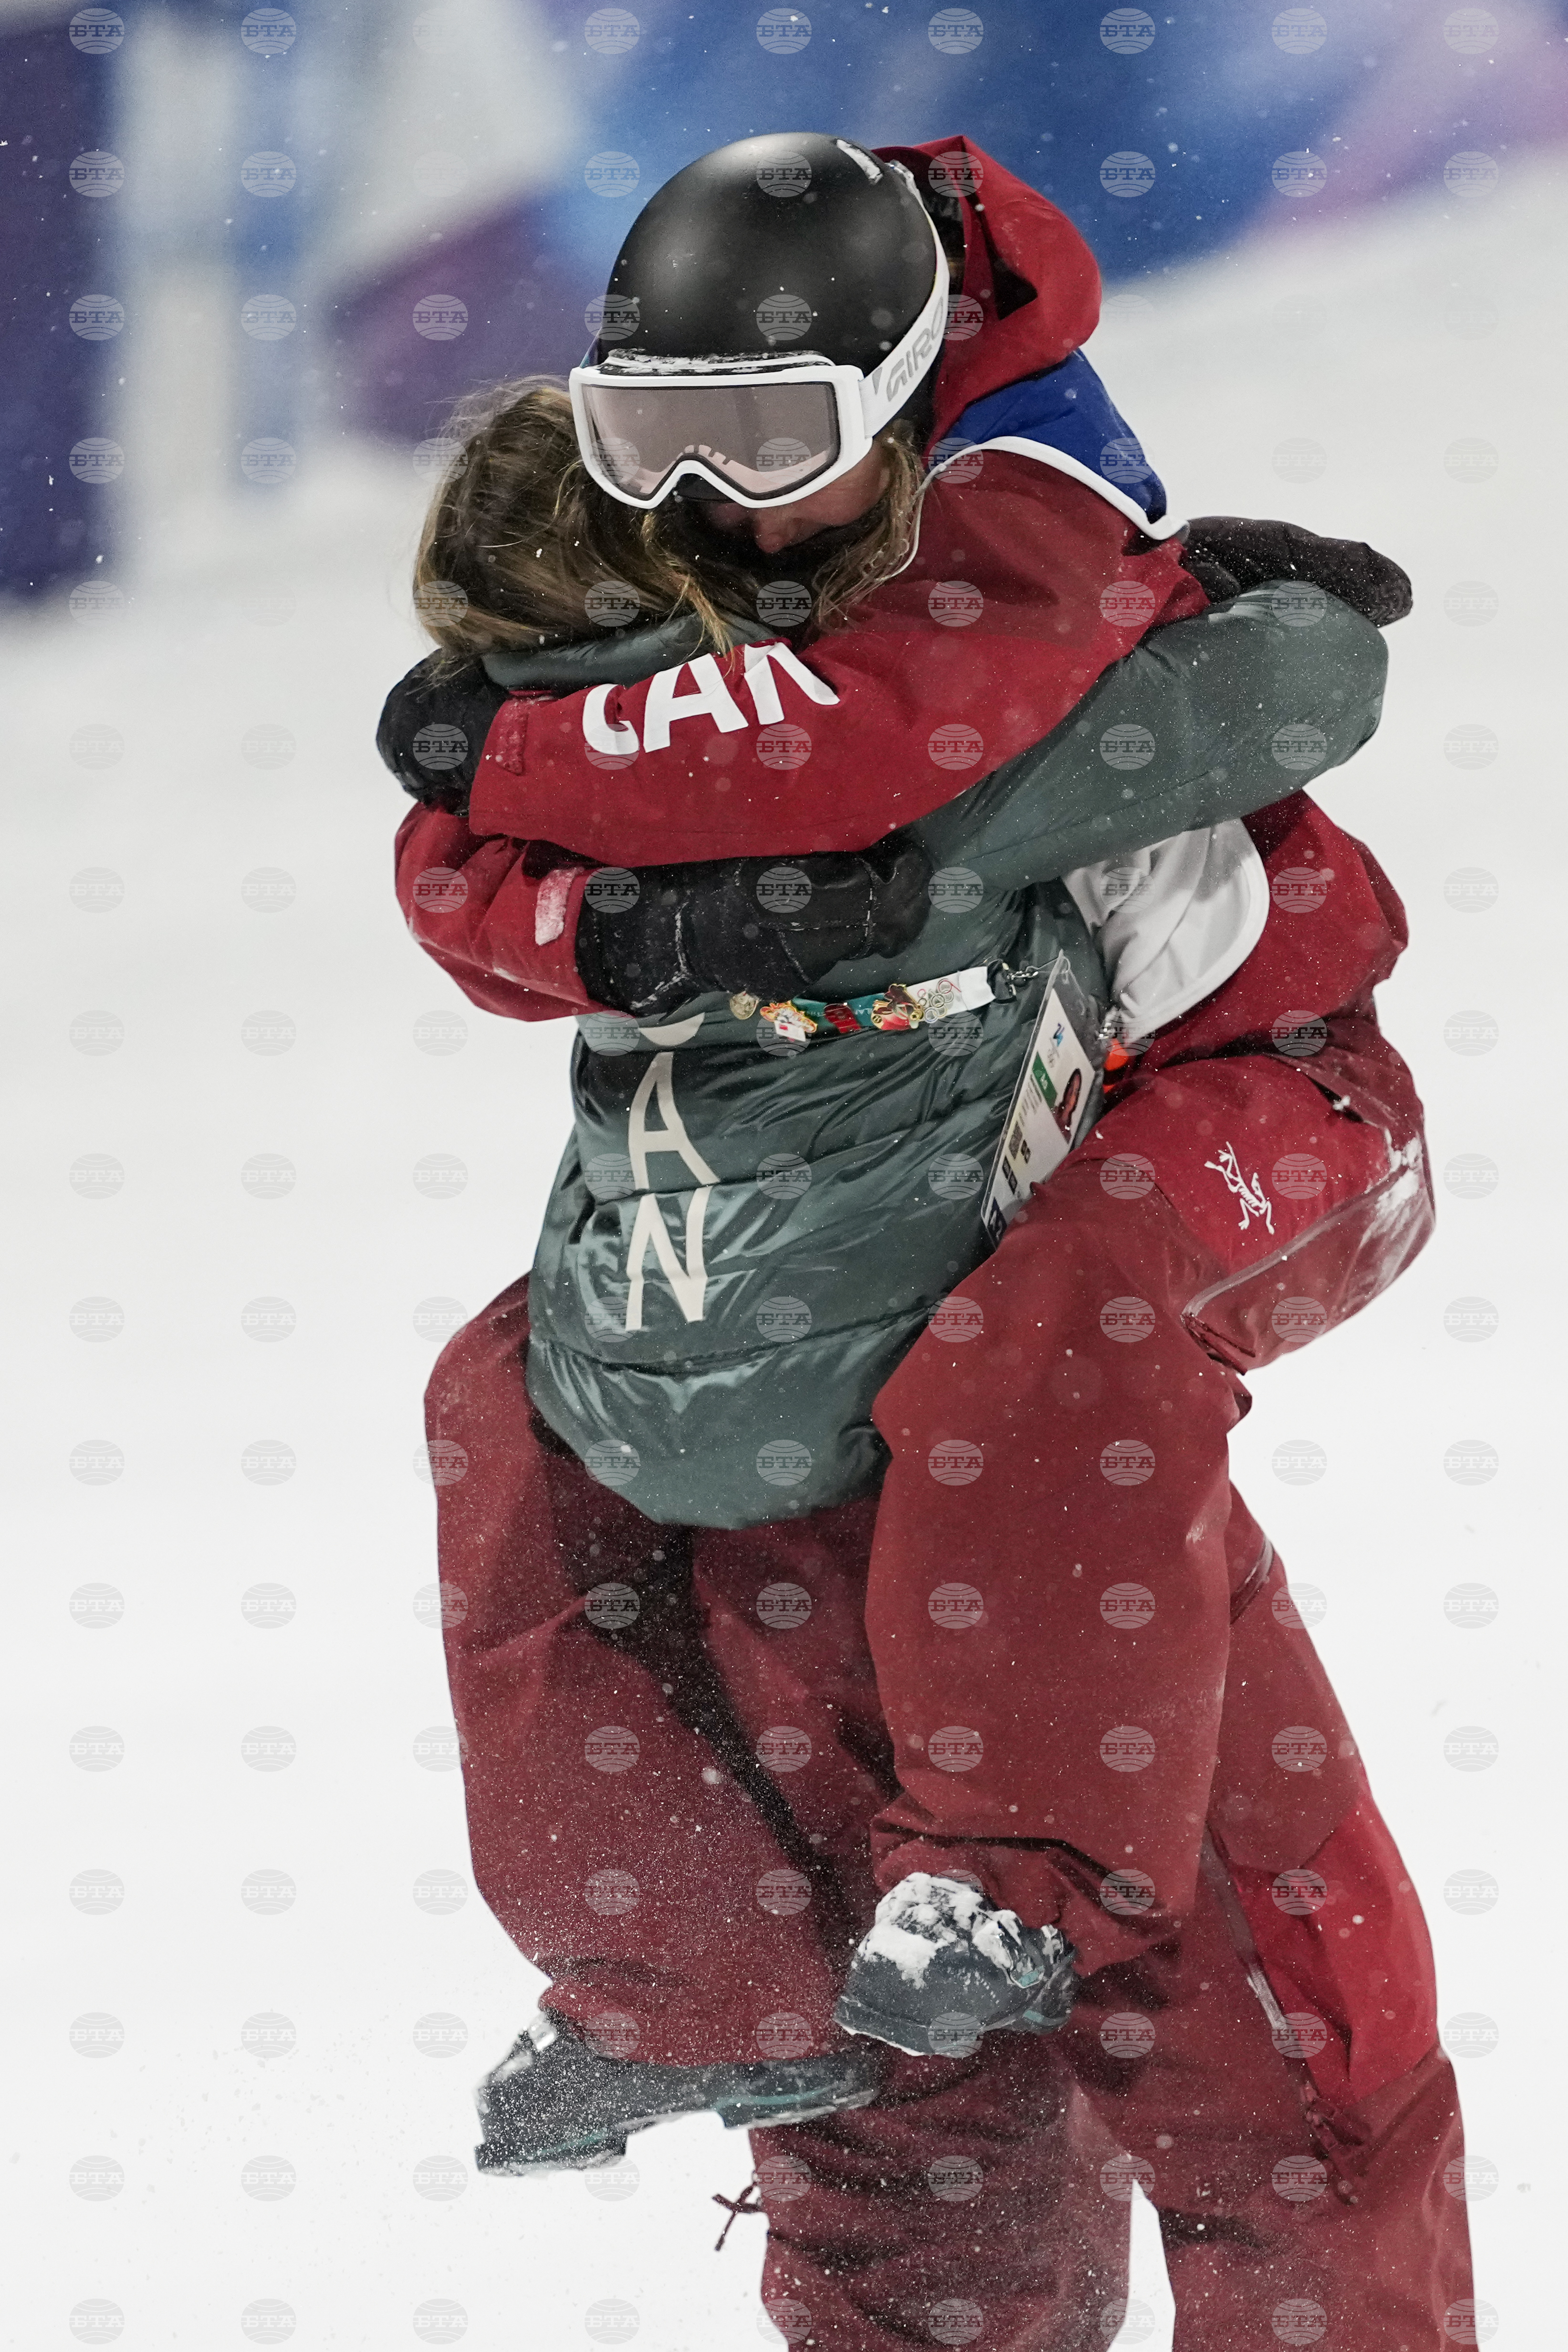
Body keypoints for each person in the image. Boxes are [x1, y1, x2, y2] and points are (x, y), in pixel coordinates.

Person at [380, 135, 1470, 2349]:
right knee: (535, 1398)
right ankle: (688, 1971)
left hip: (1245, 1109)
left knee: (1055, 1338)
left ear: (896, 399)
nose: (698, 502)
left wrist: (550, 788)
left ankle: (1021, 1874)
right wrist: (574, 870)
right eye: (645, 441)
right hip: (818, 1244)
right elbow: (471, 846)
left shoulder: (1013, 507)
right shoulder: (676, 553)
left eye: (764, 442)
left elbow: (917, 732)